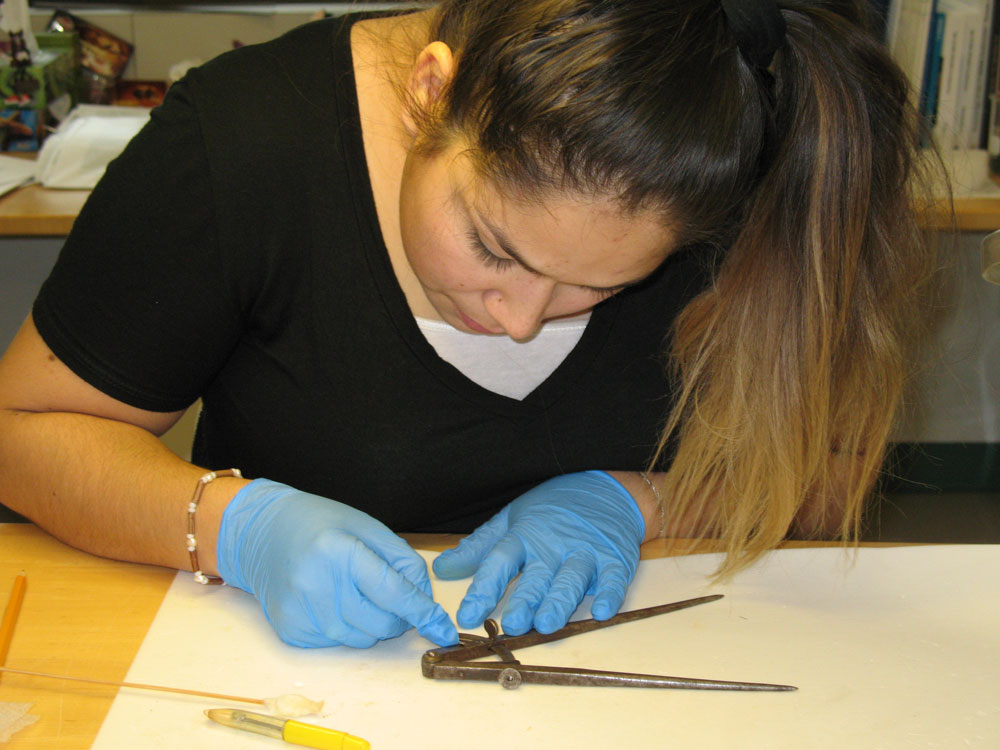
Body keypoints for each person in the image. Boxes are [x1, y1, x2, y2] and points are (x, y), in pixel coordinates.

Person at [0, 0, 940, 649]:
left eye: (599, 287)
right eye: (495, 248)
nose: (521, 322)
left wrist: (637, 502)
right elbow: (22, 435)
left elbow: (828, 476)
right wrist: (232, 526)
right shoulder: (243, 143)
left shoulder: (744, 155)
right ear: (430, 92)